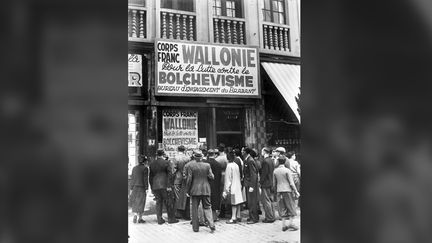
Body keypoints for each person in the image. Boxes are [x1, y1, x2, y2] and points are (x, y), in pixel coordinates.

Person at [186, 150, 216, 233]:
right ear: (202, 157)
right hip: (206, 188)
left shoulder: (191, 166)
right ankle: (211, 225)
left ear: (195, 157)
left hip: (195, 190)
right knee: (207, 207)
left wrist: (188, 190)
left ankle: (195, 228)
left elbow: (189, 179)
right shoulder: (207, 165)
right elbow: (212, 177)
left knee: (195, 209)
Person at [149, 149, 179, 224]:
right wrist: (169, 185)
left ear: (157, 155)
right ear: (163, 154)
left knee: (158, 202)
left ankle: (159, 219)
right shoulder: (166, 162)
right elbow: (170, 175)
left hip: (155, 185)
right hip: (165, 185)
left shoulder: (152, 163)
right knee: (169, 201)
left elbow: (150, 177)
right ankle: (171, 219)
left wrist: (152, 187)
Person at [273, 156, 300, 231]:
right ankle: (291, 223)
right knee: (291, 206)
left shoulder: (275, 171)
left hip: (279, 191)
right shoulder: (287, 170)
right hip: (287, 191)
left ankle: (283, 225)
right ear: (285, 162)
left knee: (282, 207)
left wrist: (275, 192)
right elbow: (291, 183)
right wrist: (296, 191)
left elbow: (274, 183)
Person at [223, 151, 245, 224]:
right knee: (238, 201)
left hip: (232, 186)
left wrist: (226, 190)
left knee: (233, 203)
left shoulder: (229, 166)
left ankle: (233, 218)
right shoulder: (236, 165)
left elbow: (228, 179)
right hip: (238, 185)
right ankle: (238, 216)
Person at [172, 145, 191, 219]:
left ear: (177, 150)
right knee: (185, 195)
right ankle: (186, 213)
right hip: (186, 178)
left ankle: (178, 213)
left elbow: (173, 170)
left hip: (178, 178)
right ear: (184, 150)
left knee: (177, 196)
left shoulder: (176, 158)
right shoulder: (188, 158)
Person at [129, 155, 149, 223]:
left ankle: (135, 215)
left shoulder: (134, 168)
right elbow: (145, 179)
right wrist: (147, 188)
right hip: (142, 187)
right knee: (141, 202)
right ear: (144, 161)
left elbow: (132, 178)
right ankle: (140, 218)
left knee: (135, 201)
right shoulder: (145, 168)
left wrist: (131, 188)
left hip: (135, 187)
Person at [242, 147, 259, 224]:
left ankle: (254, 218)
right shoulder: (247, 159)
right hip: (248, 183)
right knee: (249, 201)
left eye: (243, 151)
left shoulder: (250, 160)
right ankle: (252, 216)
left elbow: (253, 174)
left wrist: (252, 186)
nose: (242, 152)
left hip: (250, 184)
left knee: (252, 201)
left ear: (246, 152)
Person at [259, 147, 276, 223]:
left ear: (265, 152)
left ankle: (269, 217)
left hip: (266, 183)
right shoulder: (271, 160)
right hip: (271, 182)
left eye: (262, 151)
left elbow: (264, 173)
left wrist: (260, 182)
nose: (261, 152)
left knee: (266, 201)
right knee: (271, 200)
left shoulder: (265, 161)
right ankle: (272, 216)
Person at [206, 149, 223, 221]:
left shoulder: (205, 163)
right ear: (214, 154)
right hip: (216, 184)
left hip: (207, 184)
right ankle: (214, 216)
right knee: (215, 200)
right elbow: (219, 176)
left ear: (208, 154)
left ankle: (207, 217)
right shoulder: (218, 164)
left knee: (207, 201)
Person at [215, 144, 229, 218]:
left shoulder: (217, 159)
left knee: (220, 193)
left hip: (220, 176)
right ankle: (228, 208)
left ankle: (222, 210)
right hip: (227, 175)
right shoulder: (227, 157)